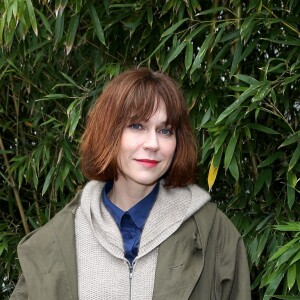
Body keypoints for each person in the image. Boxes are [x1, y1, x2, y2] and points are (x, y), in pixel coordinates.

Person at [10, 68, 251, 300]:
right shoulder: (54, 242)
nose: (152, 143)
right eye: (137, 126)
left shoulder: (213, 233)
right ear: (109, 132)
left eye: (165, 131)